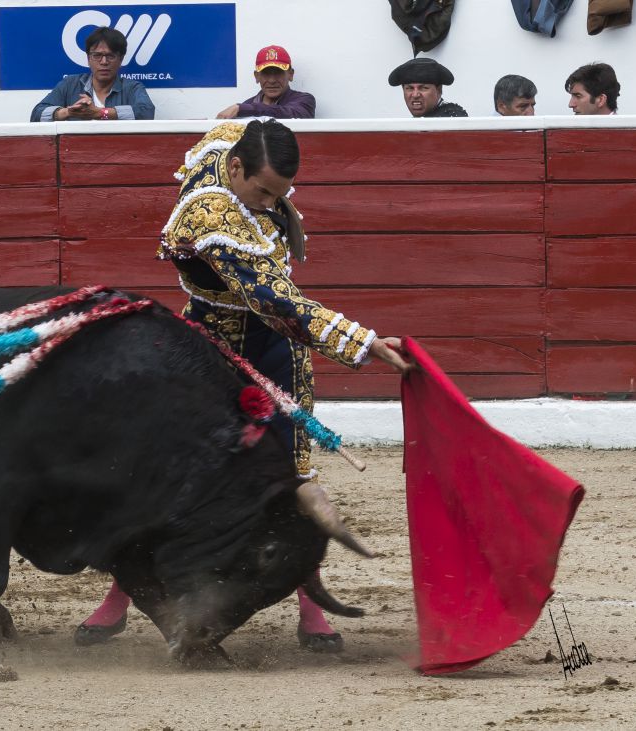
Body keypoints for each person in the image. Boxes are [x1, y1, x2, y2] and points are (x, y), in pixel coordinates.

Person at [75, 119, 414, 653]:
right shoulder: (209, 214)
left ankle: (310, 603)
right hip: (213, 345)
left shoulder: (229, 147)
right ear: (235, 169)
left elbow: (227, 127)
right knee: (176, 471)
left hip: (276, 349)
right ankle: (123, 592)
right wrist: (360, 341)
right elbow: (273, 299)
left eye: (279, 197)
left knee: (292, 473)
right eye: (261, 192)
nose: (267, 205)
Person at [30, 27, 155, 122]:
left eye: (110, 56)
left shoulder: (132, 87)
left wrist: (101, 113)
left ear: (121, 59)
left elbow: (147, 112)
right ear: (88, 59)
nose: (104, 62)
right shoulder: (70, 84)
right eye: (97, 55)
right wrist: (68, 112)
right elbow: (36, 114)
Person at [216, 45, 316, 119]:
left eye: (278, 73)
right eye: (266, 73)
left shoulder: (305, 100)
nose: (272, 80)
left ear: (290, 74)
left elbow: (292, 113)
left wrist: (244, 109)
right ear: (256, 76)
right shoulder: (247, 105)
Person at [388, 57, 467, 118]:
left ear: (439, 90)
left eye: (423, 88)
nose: (415, 95)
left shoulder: (452, 117)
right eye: (410, 88)